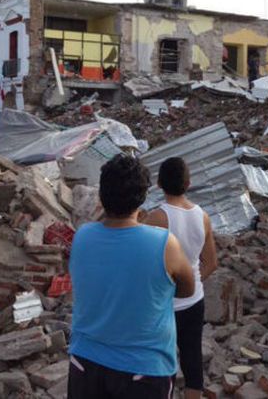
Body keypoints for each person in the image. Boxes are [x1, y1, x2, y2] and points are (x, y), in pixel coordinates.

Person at [67, 154, 195, 399]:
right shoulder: (164, 243)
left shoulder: (83, 236)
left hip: (86, 364)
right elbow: (187, 289)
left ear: (102, 197)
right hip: (143, 371)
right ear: (143, 198)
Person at [145, 158, 218, 399]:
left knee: (158, 359)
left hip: (162, 304)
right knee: (191, 357)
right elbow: (212, 262)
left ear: (159, 184)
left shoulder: (156, 218)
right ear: (189, 184)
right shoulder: (203, 216)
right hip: (194, 300)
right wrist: (194, 282)